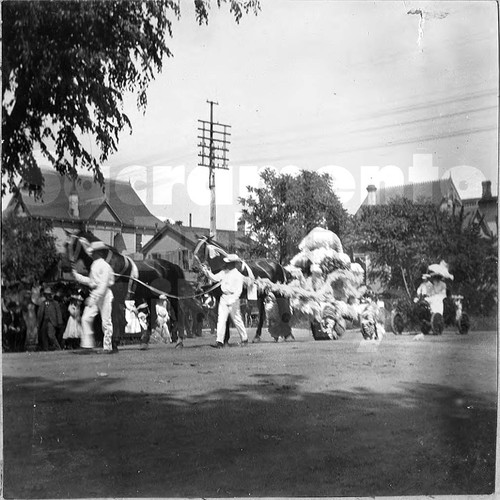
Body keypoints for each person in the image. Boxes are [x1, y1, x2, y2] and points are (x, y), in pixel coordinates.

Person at [201, 254, 248, 348]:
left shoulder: (238, 275)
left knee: (237, 320)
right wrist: (206, 271)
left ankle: (244, 338)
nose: (226, 264)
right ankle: (219, 342)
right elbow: (214, 278)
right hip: (224, 298)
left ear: (233, 263)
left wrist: (233, 300)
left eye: (228, 263)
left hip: (233, 299)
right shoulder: (224, 272)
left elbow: (238, 291)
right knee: (221, 320)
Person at [72, 253, 115, 353]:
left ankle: (107, 347)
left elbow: (103, 285)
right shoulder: (94, 264)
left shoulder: (105, 266)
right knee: (86, 318)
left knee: (106, 321)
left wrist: (93, 298)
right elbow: (91, 281)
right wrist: (76, 275)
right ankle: (87, 345)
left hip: (104, 295)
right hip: (95, 294)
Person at [37, 287, 63, 351]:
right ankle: (46, 348)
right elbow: (40, 314)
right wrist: (38, 323)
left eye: (49, 294)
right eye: (46, 295)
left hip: (51, 321)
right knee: (44, 335)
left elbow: (58, 313)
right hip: (44, 321)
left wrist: (59, 322)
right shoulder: (43, 303)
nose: (48, 296)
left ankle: (58, 347)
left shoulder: (55, 303)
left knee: (51, 335)